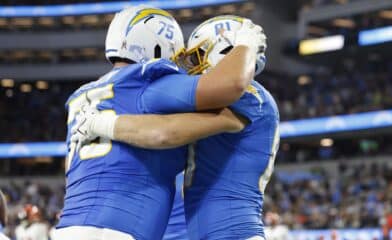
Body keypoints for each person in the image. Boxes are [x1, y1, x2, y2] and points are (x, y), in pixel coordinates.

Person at [56, 5, 266, 240]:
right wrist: (246, 44)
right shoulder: (146, 82)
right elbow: (231, 84)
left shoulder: (81, 97)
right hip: (118, 228)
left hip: (69, 225)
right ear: (158, 44)